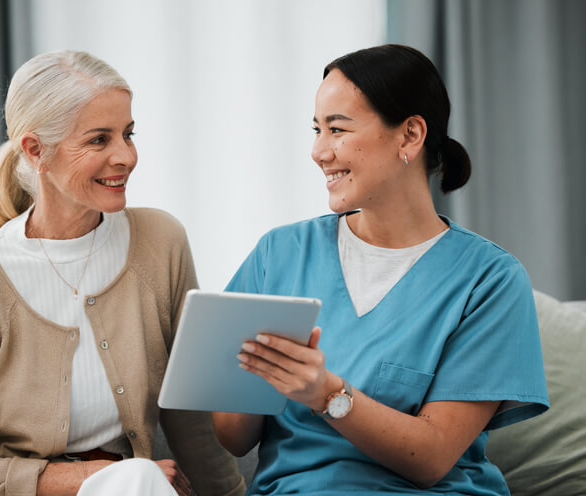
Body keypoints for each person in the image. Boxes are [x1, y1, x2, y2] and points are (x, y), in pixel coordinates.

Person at [212, 44, 549, 495]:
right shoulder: (280, 254)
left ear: (409, 135)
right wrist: (252, 375)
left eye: (337, 129)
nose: (318, 151)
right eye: (316, 130)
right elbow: (234, 438)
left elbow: (431, 458)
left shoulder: (489, 281)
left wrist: (326, 394)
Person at [0, 50, 245, 496]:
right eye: (99, 140)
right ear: (35, 150)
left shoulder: (160, 242)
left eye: (128, 134)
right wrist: (96, 477)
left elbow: (191, 417)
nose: (125, 156)